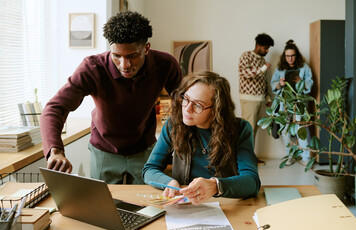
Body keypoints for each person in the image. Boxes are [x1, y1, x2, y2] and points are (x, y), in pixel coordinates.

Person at [40, 11, 182, 184]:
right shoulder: (92, 68)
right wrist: (54, 150)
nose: (125, 65)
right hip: (103, 150)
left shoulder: (165, 64)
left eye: (132, 56)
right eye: (117, 56)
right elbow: (55, 107)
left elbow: (185, 103)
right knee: (103, 206)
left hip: (144, 149)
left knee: (148, 207)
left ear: (146, 48)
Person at [142, 71, 261, 205]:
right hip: (184, 207)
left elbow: (252, 182)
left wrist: (215, 186)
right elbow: (149, 169)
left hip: (225, 206)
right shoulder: (173, 125)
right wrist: (169, 182)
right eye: (185, 99)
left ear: (216, 109)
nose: (187, 109)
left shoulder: (240, 129)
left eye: (198, 105)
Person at [270, 39, 313, 166]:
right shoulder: (280, 69)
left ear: (296, 55)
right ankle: (289, 155)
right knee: (285, 129)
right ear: (285, 56)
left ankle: (306, 157)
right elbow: (273, 84)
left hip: (299, 103)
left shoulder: (304, 68)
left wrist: (301, 81)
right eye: (287, 56)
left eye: (292, 56)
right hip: (285, 102)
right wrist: (280, 84)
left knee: (301, 128)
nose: (290, 59)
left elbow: (310, 84)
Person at [238, 33, 274, 165]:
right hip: (249, 100)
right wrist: (263, 69)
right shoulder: (246, 56)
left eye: (268, 48)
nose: (267, 50)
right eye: (265, 48)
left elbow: (263, 81)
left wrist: (268, 97)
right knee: (248, 129)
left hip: (260, 99)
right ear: (258, 45)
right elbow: (245, 73)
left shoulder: (262, 60)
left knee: (255, 130)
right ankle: (245, 160)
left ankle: (250, 157)